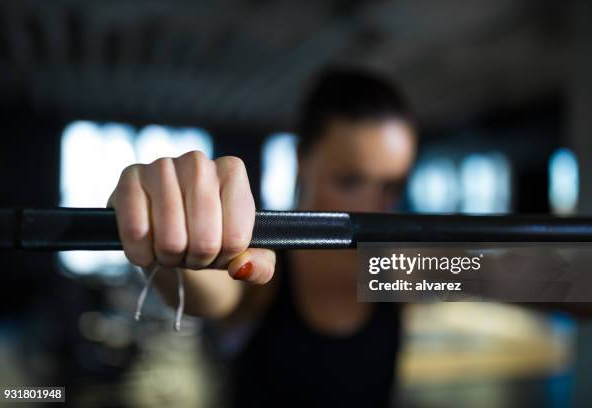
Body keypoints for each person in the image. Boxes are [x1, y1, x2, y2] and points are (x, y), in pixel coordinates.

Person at [107, 67, 418, 407]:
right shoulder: (260, 259)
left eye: (393, 186)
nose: (373, 205)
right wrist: (164, 218)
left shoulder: (397, 264)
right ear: (302, 159)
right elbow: (210, 292)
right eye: (350, 182)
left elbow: (481, 274)